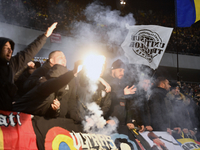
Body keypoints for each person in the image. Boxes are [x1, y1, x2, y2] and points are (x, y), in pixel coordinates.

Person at [0, 22, 57, 111]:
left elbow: (28, 52)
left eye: (11, 48)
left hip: (6, 117)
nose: (10, 50)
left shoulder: (12, 65)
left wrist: (45, 36)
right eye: (6, 47)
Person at [12, 60, 82, 118]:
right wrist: (72, 73)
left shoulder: (56, 95)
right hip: (13, 118)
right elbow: (55, 82)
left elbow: (46, 115)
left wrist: (55, 110)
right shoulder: (43, 86)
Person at [104, 59, 137, 126]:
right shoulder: (106, 82)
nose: (122, 73)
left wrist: (129, 121)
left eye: (123, 71)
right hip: (109, 123)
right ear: (113, 70)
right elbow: (105, 100)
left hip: (121, 124)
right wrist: (105, 120)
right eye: (120, 70)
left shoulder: (123, 84)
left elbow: (127, 105)